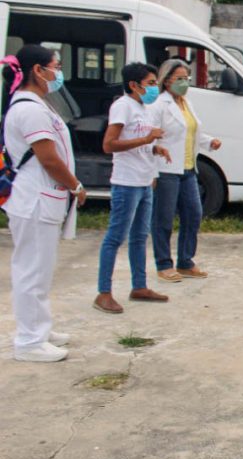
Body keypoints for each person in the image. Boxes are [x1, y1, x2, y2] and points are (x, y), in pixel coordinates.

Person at [2, 46, 87, 362]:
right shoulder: (31, 109)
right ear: (38, 70)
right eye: (56, 65)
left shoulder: (36, 104)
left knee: (40, 269)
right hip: (35, 199)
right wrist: (75, 186)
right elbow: (48, 158)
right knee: (31, 271)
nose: (59, 71)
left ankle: (39, 328)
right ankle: (29, 341)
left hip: (40, 198)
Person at [94, 63, 171, 314]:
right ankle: (103, 293)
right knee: (115, 237)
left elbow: (137, 143)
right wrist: (147, 139)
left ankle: (139, 286)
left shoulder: (144, 108)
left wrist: (153, 148)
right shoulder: (122, 107)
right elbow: (110, 144)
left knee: (139, 237)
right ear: (133, 85)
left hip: (144, 181)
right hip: (126, 183)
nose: (154, 88)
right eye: (150, 83)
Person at [147, 59, 222, 284]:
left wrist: (210, 142)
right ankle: (163, 264)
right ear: (167, 80)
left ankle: (185, 261)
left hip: (188, 168)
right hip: (166, 169)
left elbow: (191, 132)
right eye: (179, 78)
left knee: (193, 214)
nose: (184, 83)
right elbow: (148, 137)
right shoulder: (159, 105)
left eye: (186, 78)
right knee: (164, 219)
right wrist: (151, 169)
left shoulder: (185, 103)